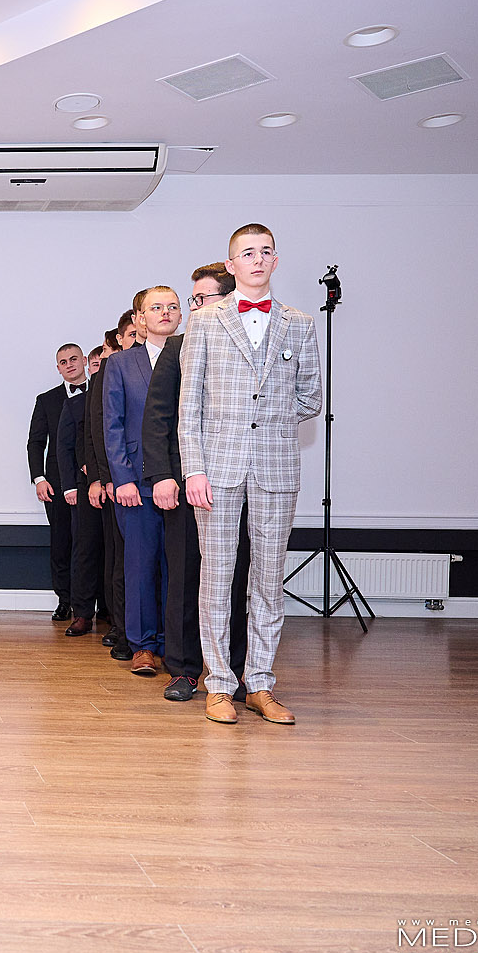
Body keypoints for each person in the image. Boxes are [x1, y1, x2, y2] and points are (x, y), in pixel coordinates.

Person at [180, 223, 322, 725]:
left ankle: (259, 683)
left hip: (276, 467)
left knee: (267, 579)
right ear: (231, 263)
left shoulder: (300, 323)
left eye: (266, 251)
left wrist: (270, 421)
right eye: (248, 252)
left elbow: (311, 397)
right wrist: (194, 469)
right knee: (217, 577)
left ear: (275, 261)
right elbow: (189, 406)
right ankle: (219, 684)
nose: (257, 259)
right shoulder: (205, 321)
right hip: (216, 468)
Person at [143, 263, 252, 703]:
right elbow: (158, 418)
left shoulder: (250, 348)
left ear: (229, 301)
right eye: (194, 300)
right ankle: (185, 669)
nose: (193, 308)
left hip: (237, 484)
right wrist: (163, 476)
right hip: (186, 484)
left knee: (236, 579)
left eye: (202, 299)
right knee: (187, 578)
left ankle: (234, 671)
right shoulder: (177, 348)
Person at [104, 287, 182, 677]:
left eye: (173, 306)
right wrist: (122, 479)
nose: (165, 312)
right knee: (140, 566)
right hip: (136, 482)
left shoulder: (193, 356)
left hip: (183, 482)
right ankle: (143, 646)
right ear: (140, 318)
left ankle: (175, 644)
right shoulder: (120, 363)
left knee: (178, 568)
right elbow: (112, 425)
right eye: (156, 307)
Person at [86, 317, 138, 661]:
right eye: (131, 333)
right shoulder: (109, 370)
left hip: (158, 480)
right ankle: (122, 628)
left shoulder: (169, 361)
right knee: (121, 559)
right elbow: (99, 427)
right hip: (118, 480)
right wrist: (103, 477)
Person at [27, 343, 86, 622]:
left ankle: (99, 604)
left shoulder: (101, 393)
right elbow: (36, 442)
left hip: (94, 483)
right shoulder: (46, 400)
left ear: (84, 360)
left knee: (94, 544)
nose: (69, 364)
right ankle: (65, 600)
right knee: (61, 542)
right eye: (63, 362)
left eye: (73, 359)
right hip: (57, 484)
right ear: (58, 368)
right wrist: (39, 478)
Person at [55, 345, 102, 638]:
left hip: (122, 484)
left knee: (115, 554)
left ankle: (112, 614)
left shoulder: (120, 397)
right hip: (86, 487)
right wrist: (71, 485)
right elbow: (65, 447)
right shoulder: (73, 405)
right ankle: (82, 612)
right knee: (84, 549)